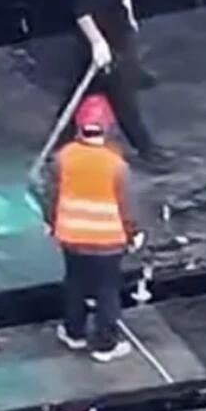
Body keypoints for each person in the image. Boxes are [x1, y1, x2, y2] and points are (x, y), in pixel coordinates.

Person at [45, 93, 141, 362]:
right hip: (108, 242)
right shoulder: (117, 166)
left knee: (75, 283)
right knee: (107, 290)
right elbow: (127, 206)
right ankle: (105, 345)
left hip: (72, 237)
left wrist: (51, 223)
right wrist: (133, 233)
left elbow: (51, 196)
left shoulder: (63, 158)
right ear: (108, 127)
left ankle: (74, 333)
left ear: (79, 126)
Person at [75, 0, 168, 167]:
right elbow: (81, 12)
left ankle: (133, 72)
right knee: (122, 97)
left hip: (118, 28)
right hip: (107, 39)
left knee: (109, 79)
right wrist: (98, 43)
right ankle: (147, 150)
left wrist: (126, 6)